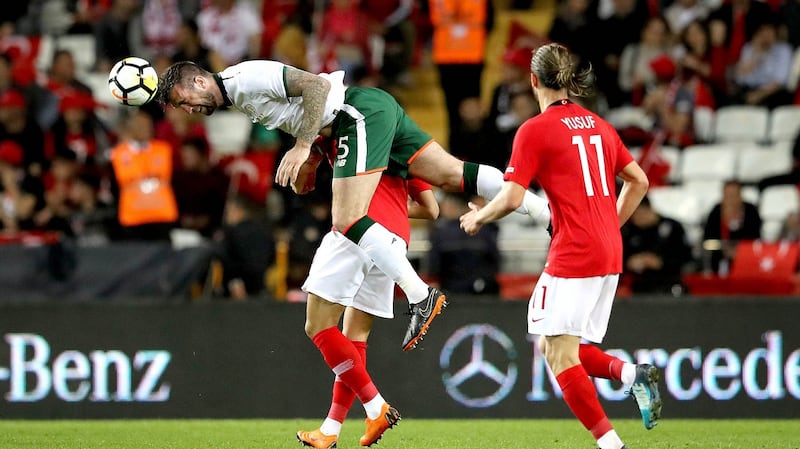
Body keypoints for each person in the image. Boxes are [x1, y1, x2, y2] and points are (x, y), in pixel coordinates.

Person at [156, 59, 551, 351]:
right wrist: (311, 157)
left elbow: (315, 88)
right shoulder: (236, 96)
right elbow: (304, 111)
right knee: (453, 174)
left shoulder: (243, 77)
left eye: (184, 100)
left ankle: (419, 294)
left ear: (196, 79)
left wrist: (304, 146)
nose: (189, 110)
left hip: (355, 115)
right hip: (369, 110)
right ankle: (545, 213)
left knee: (347, 219)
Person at [459, 43, 660, 449]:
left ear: (533, 80)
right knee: (556, 346)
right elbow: (639, 180)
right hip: (608, 251)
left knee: (559, 354)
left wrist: (478, 216)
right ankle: (630, 376)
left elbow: (513, 197)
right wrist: (608, 225)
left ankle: (611, 444)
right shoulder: (600, 125)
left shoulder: (534, 129)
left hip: (575, 251)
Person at [297, 173, 438, 449]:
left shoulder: (354, 132)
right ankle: (330, 429)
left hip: (357, 230)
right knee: (355, 335)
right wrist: (395, 204)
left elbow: (301, 185)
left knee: (317, 326)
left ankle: (375, 407)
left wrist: (305, 149)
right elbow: (431, 209)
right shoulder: (405, 149)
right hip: (395, 242)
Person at [621, 195, 692, 295]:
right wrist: (631, 262)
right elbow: (620, 259)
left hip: (671, 284)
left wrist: (660, 262)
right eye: (634, 215)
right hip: (639, 288)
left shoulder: (673, 227)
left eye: (640, 213)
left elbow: (687, 257)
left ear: (650, 209)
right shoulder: (629, 231)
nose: (637, 218)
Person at [702, 179, 762, 275]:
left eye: (734, 195)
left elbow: (756, 240)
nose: (731, 199)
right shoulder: (716, 212)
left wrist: (738, 250)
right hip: (719, 256)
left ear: (741, 196)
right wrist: (722, 247)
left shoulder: (751, 211)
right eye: (728, 195)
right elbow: (707, 243)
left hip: (745, 256)